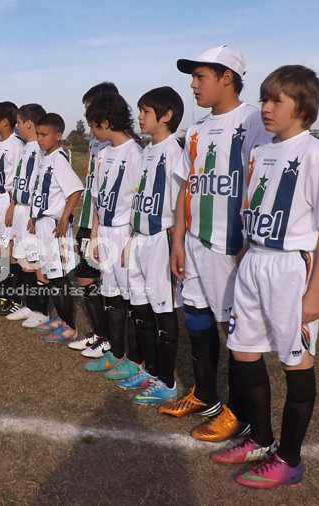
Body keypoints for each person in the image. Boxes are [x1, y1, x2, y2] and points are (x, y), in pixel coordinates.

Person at [208, 65, 319, 488]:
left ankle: (289, 458)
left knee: (295, 360)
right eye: (263, 99)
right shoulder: (260, 151)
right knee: (243, 351)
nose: (265, 108)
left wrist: (314, 291)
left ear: (301, 108)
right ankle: (261, 439)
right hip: (255, 261)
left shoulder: (314, 152)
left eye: (275, 101)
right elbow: (253, 204)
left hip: (290, 268)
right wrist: (245, 251)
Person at [162, 45, 272, 443]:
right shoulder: (195, 129)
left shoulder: (254, 122)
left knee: (238, 333)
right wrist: (177, 240)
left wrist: (251, 242)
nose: (193, 85)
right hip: (194, 243)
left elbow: (264, 182)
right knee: (196, 317)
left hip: (230, 247)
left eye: (200, 76)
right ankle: (206, 396)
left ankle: (239, 415)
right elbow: (185, 187)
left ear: (227, 77)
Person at [115, 86, 185, 405]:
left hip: (160, 239)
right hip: (140, 238)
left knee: (163, 311)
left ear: (166, 116)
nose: (140, 117)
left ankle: (167, 381)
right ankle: (150, 370)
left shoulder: (174, 152)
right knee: (140, 308)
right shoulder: (146, 151)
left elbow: (181, 204)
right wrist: (131, 238)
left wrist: (176, 244)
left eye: (146, 112)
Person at [85, 92, 144, 378]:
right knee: (111, 296)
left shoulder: (135, 154)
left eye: (93, 125)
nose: (92, 131)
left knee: (132, 300)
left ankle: (136, 359)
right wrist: (95, 236)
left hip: (124, 233)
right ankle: (116, 353)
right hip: (106, 233)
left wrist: (131, 240)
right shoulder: (103, 154)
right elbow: (98, 201)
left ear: (106, 122)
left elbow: (139, 203)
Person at [67, 82, 118, 356]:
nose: (87, 115)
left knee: (108, 283)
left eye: (90, 108)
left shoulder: (121, 144)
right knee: (86, 276)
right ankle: (99, 334)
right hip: (89, 219)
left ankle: (111, 339)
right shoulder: (95, 142)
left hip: (109, 224)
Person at [29, 113, 84, 342]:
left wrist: (64, 218)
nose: (40, 139)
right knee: (52, 277)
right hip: (43, 223)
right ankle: (61, 320)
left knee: (59, 278)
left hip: (54, 227)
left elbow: (75, 190)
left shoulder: (59, 159)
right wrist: (34, 216)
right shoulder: (46, 157)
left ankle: (70, 327)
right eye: (38, 134)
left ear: (58, 135)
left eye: (44, 135)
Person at [5, 103, 49, 324]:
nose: (17, 127)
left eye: (19, 123)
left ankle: (41, 310)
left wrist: (34, 214)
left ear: (29, 124)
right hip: (20, 210)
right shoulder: (26, 147)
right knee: (23, 259)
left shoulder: (40, 150)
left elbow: (41, 186)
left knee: (36, 260)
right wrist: (13, 205)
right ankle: (28, 305)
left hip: (31, 211)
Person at [0, 101, 24, 311]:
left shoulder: (17, 145)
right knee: (1, 248)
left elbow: (18, 179)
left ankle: (16, 298)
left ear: (5, 122)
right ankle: (5, 293)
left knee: (11, 249)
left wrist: (12, 205)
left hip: (8, 200)